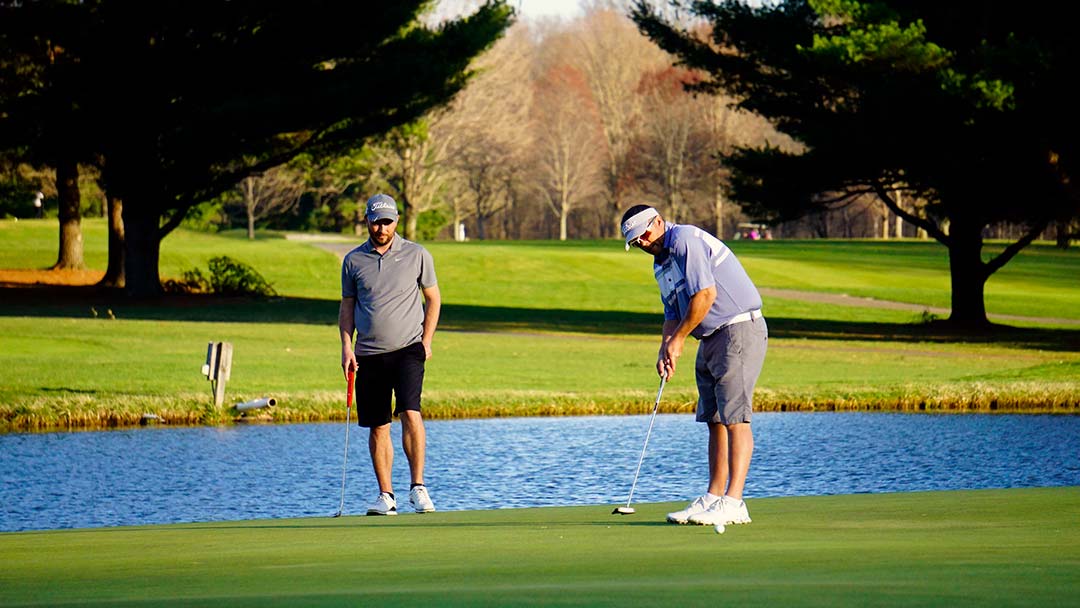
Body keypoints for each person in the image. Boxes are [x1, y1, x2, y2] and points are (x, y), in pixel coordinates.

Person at [621, 204, 767, 527]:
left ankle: (735, 501)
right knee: (714, 419)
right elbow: (672, 313)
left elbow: (705, 295)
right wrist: (665, 347)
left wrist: (680, 340)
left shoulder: (684, 240)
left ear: (658, 222)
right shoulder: (660, 265)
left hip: (738, 328)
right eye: (635, 242)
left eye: (644, 234)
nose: (643, 243)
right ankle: (714, 497)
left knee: (735, 418)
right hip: (711, 336)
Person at [339, 193, 442, 516]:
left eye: (387, 221)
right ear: (367, 220)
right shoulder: (354, 261)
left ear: (396, 221)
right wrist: (345, 346)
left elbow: (433, 299)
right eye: (375, 221)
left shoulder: (417, 254)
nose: (381, 227)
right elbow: (347, 306)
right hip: (368, 353)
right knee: (378, 425)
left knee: (411, 411)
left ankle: (418, 488)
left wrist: (427, 340)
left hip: (409, 348)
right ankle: (387, 496)